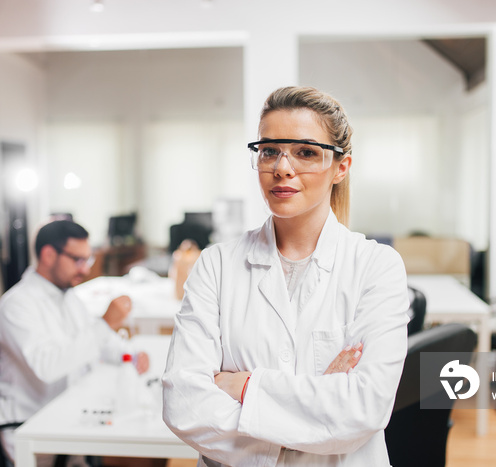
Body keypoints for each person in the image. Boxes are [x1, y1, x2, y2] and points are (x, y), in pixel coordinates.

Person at [162, 86, 409, 466]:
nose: (282, 167)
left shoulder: (377, 266)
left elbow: (365, 408)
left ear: (340, 167)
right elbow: (184, 404)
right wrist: (318, 416)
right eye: (269, 151)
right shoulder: (216, 266)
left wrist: (243, 386)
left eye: (306, 152)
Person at [0, 219, 150, 465]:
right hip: (35, 429)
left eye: (87, 260)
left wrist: (128, 355)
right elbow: (48, 367)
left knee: (144, 433)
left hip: (69, 415)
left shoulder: (68, 296)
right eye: (77, 260)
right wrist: (106, 323)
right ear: (48, 254)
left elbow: (97, 343)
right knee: (139, 452)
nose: (85, 269)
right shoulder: (17, 305)